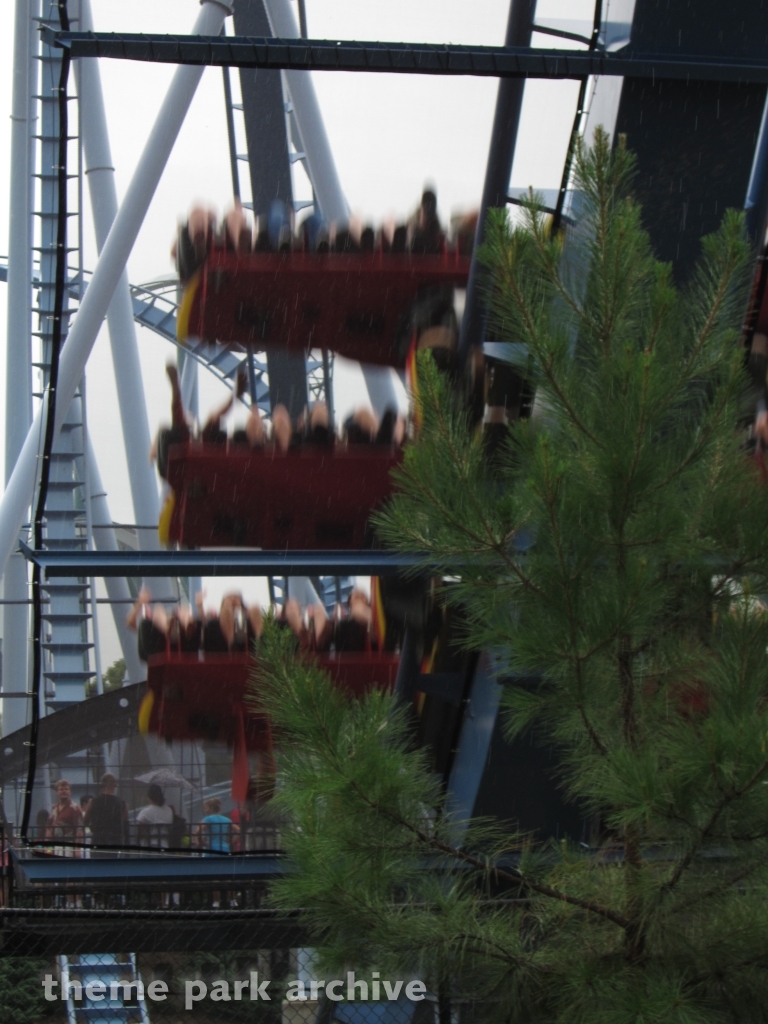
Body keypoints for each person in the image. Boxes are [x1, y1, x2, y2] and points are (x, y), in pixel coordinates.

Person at [84, 773, 127, 849]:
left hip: (97, 838)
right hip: (115, 840)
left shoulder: (93, 802)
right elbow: (125, 821)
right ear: (115, 784)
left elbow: (85, 820)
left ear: (102, 784)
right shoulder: (121, 803)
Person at [47, 779, 83, 845]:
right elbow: (49, 827)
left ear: (70, 792)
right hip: (54, 844)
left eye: (66, 789)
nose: (64, 791)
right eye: (61, 789)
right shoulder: (54, 808)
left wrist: (78, 848)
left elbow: (79, 830)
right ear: (56, 792)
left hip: (69, 843)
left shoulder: (75, 808)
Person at [137, 784, 174, 848]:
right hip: (164, 844)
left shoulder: (145, 812)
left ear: (149, 797)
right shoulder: (169, 810)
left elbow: (140, 828)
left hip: (148, 844)